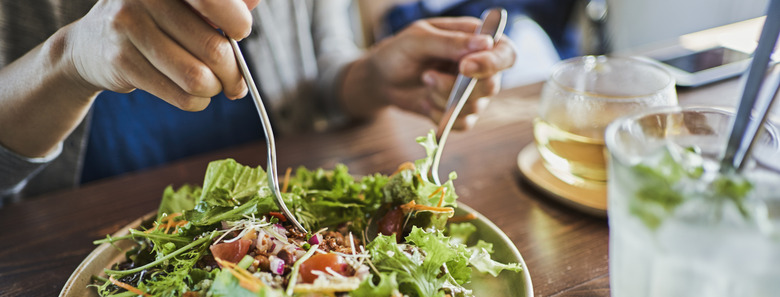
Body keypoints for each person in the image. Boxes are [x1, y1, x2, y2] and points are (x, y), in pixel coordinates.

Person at [0, 0, 516, 206]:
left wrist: (371, 76)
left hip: (284, 197)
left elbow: (322, 63)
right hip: (66, 264)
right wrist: (66, 62)